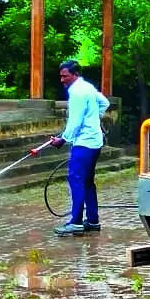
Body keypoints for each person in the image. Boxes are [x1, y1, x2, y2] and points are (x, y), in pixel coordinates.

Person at [48, 60, 110, 237]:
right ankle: (92, 220)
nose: (62, 79)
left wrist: (62, 139)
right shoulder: (88, 87)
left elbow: (74, 122)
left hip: (84, 143)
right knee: (88, 181)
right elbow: (104, 103)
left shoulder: (76, 92)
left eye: (65, 76)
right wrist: (93, 120)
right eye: (60, 76)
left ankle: (75, 222)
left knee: (75, 179)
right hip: (95, 141)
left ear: (75, 74)